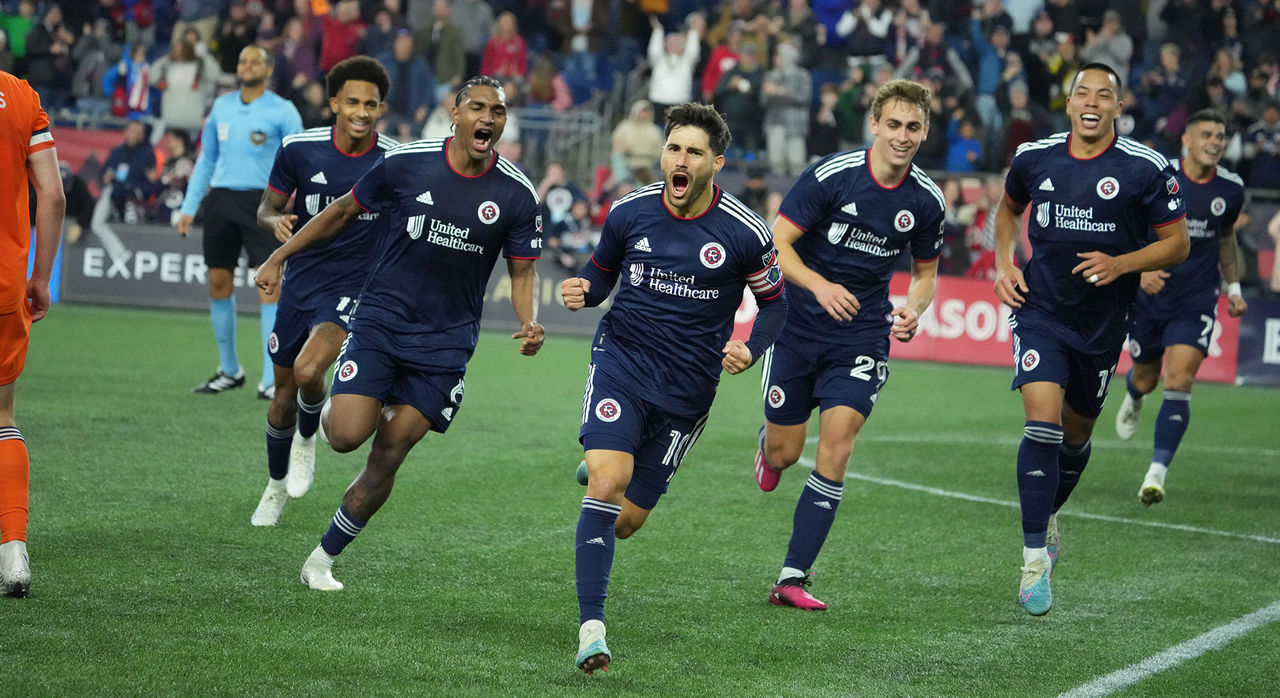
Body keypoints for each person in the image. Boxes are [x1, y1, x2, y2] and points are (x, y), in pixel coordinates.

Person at [254, 76, 544, 590]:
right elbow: (341, 212)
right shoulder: (407, 162)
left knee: (390, 450)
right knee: (344, 436)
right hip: (381, 324)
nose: (487, 119)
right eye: (476, 108)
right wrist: (278, 255)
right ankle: (336, 409)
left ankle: (321, 559)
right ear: (454, 114)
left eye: (497, 112)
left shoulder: (518, 194)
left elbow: (522, 273)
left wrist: (528, 321)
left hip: (445, 343)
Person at [563, 102, 787, 675]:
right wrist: (582, 292)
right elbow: (600, 275)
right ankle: (592, 628)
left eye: (693, 152)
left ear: (716, 161)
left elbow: (775, 306)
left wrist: (751, 347)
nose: (679, 160)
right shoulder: (629, 212)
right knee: (609, 482)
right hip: (623, 362)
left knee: (627, 521)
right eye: (673, 149)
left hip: (687, 390)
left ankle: (603, 471)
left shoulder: (745, 231)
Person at [993, 63, 1189, 617]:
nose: (1092, 102)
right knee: (1042, 421)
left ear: (1117, 108)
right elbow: (1007, 210)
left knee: (1076, 437)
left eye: (1105, 95)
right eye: (1084, 92)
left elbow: (1176, 245)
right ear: (1069, 100)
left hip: (1103, 326)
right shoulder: (1035, 157)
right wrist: (1004, 265)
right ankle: (1033, 561)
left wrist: (1122, 262)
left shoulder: (1146, 169)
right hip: (1040, 312)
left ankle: (1049, 514)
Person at [752, 79, 945, 611]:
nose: (902, 137)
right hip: (797, 328)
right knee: (784, 453)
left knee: (838, 445)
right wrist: (818, 284)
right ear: (874, 125)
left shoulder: (926, 200)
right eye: (894, 125)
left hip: (861, 336)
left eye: (913, 127)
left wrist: (915, 307)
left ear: (924, 131)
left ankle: (792, 577)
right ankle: (767, 448)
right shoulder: (831, 176)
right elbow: (777, 246)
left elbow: (925, 274)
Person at [249, 56, 398, 527]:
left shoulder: (394, 160)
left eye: (370, 104)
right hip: (301, 282)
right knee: (282, 395)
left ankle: (308, 438)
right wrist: (277, 223)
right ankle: (274, 488)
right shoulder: (299, 149)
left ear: (381, 109)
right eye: (352, 101)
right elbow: (267, 210)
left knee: (310, 367)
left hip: (356, 286)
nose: (361, 111)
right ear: (334, 102)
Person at [1114, 109, 1247, 505]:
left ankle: (1156, 473)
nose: (1215, 142)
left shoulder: (1231, 188)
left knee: (1180, 380)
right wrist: (1138, 272)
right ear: (1186, 139)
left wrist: (1235, 285)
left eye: (1221, 136)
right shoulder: (1158, 175)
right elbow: (1125, 226)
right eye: (1207, 134)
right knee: (1146, 378)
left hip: (1197, 299)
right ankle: (1135, 396)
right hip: (1150, 297)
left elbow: (1225, 239)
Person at [176, 44, 304, 400]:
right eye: (242, 60)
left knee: (269, 288)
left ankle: (270, 378)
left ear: (268, 69)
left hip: (265, 204)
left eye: (254, 61)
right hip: (221, 199)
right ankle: (230, 370)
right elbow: (206, 160)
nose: (246, 65)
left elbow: (301, 159)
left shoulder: (283, 111)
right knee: (218, 283)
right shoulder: (221, 106)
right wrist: (189, 207)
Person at [0, 70, 66, 598]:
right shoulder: (22, 96)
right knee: (2, 417)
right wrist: (40, 277)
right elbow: (53, 195)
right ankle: (14, 550)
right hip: (4, 286)